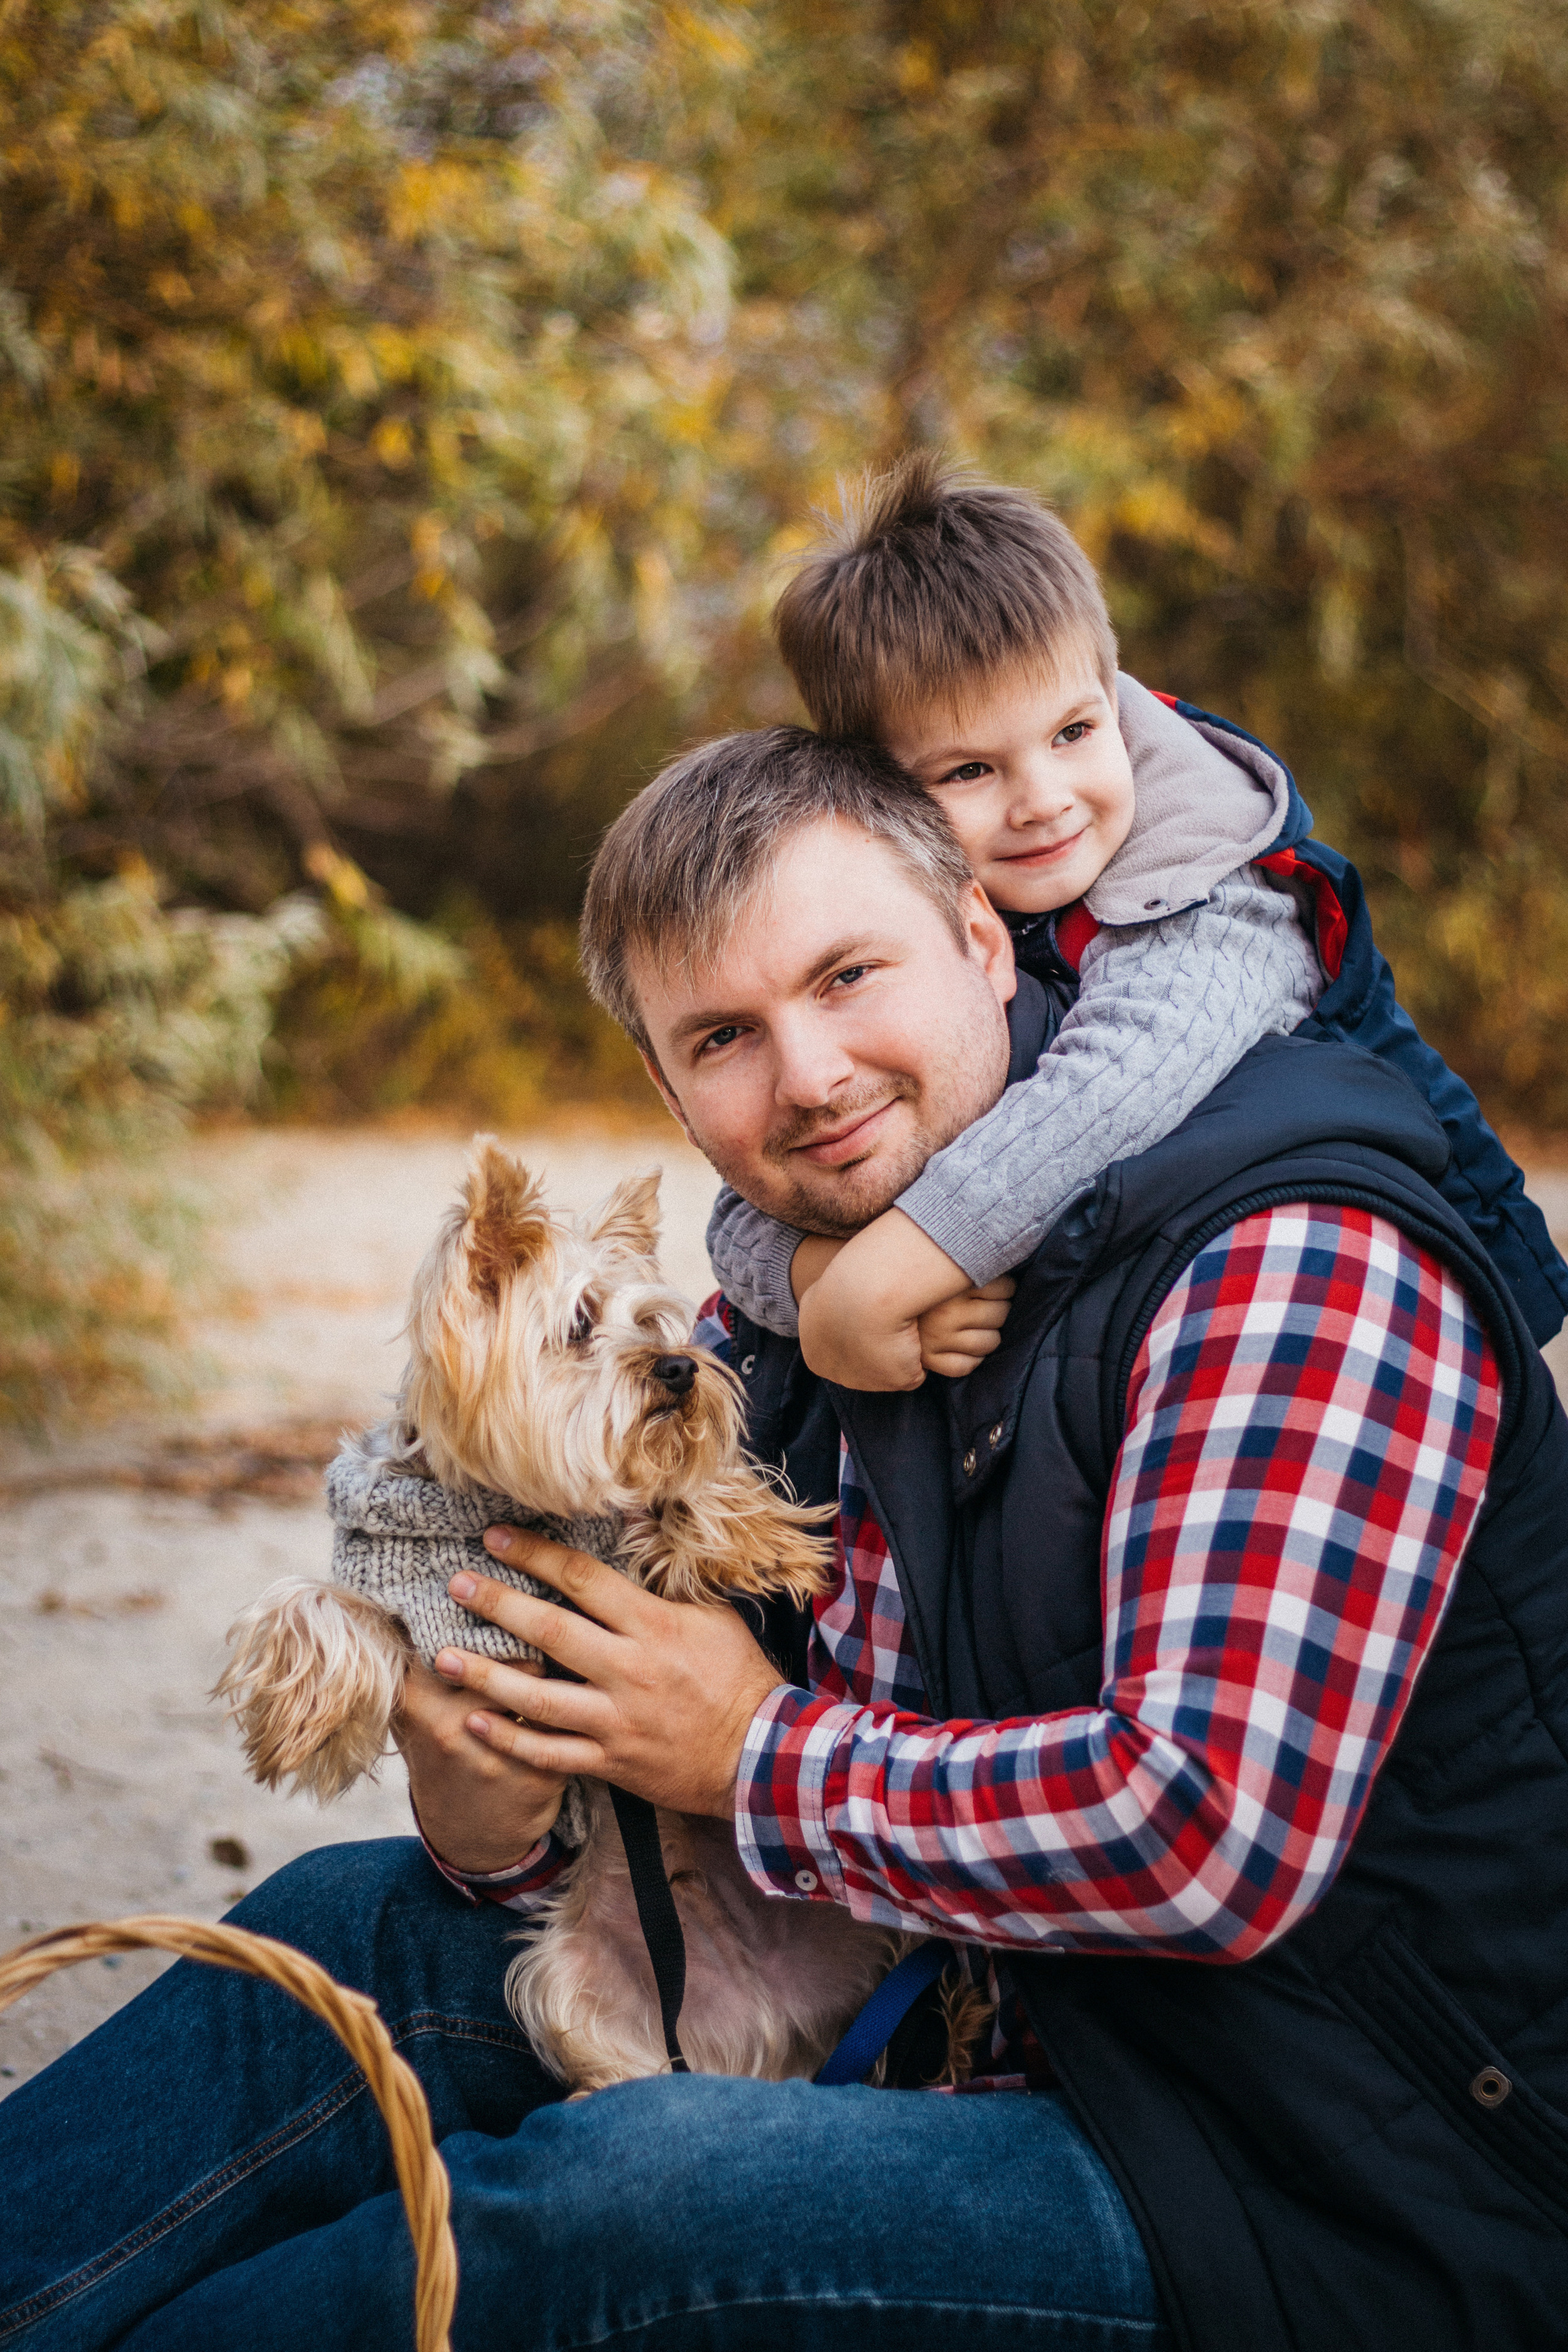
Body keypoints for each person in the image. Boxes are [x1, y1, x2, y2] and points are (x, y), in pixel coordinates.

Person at [4, 729, 1566, 2352]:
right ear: (668, 1087)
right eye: (726, 1036)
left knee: (626, 2202)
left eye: (849, 976)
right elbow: (661, 1790)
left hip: (1327, 2186)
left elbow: (1204, 1837)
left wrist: (754, 1753)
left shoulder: (1291, 1260)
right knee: (349, 1935)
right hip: (962, 2021)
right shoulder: (802, 1304)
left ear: (979, 935)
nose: (808, 1074)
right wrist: (504, 1812)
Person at [704, 455, 1568, 1390]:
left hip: (1399, 1313)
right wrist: (815, 1278)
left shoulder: (1212, 879)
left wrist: (891, 1271)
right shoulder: (925, 904)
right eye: (969, 772)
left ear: (1113, 693)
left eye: (1074, 733)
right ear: (882, 792)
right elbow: (769, 1190)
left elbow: (1114, 1087)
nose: (1044, 800)